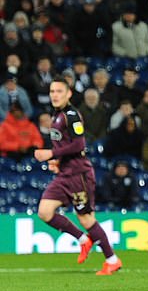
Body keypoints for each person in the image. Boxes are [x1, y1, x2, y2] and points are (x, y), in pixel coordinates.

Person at [33, 77, 122, 275]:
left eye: (59, 91)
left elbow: (79, 144)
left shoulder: (71, 115)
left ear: (68, 94)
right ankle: (83, 240)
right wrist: (58, 162)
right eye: (52, 91)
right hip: (65, 173)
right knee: (45, 211)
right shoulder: (57, 115)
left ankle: (112, 260)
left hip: (78, 175)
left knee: (86, 218)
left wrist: (50, 154)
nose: (55, 95)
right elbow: (65, 145)